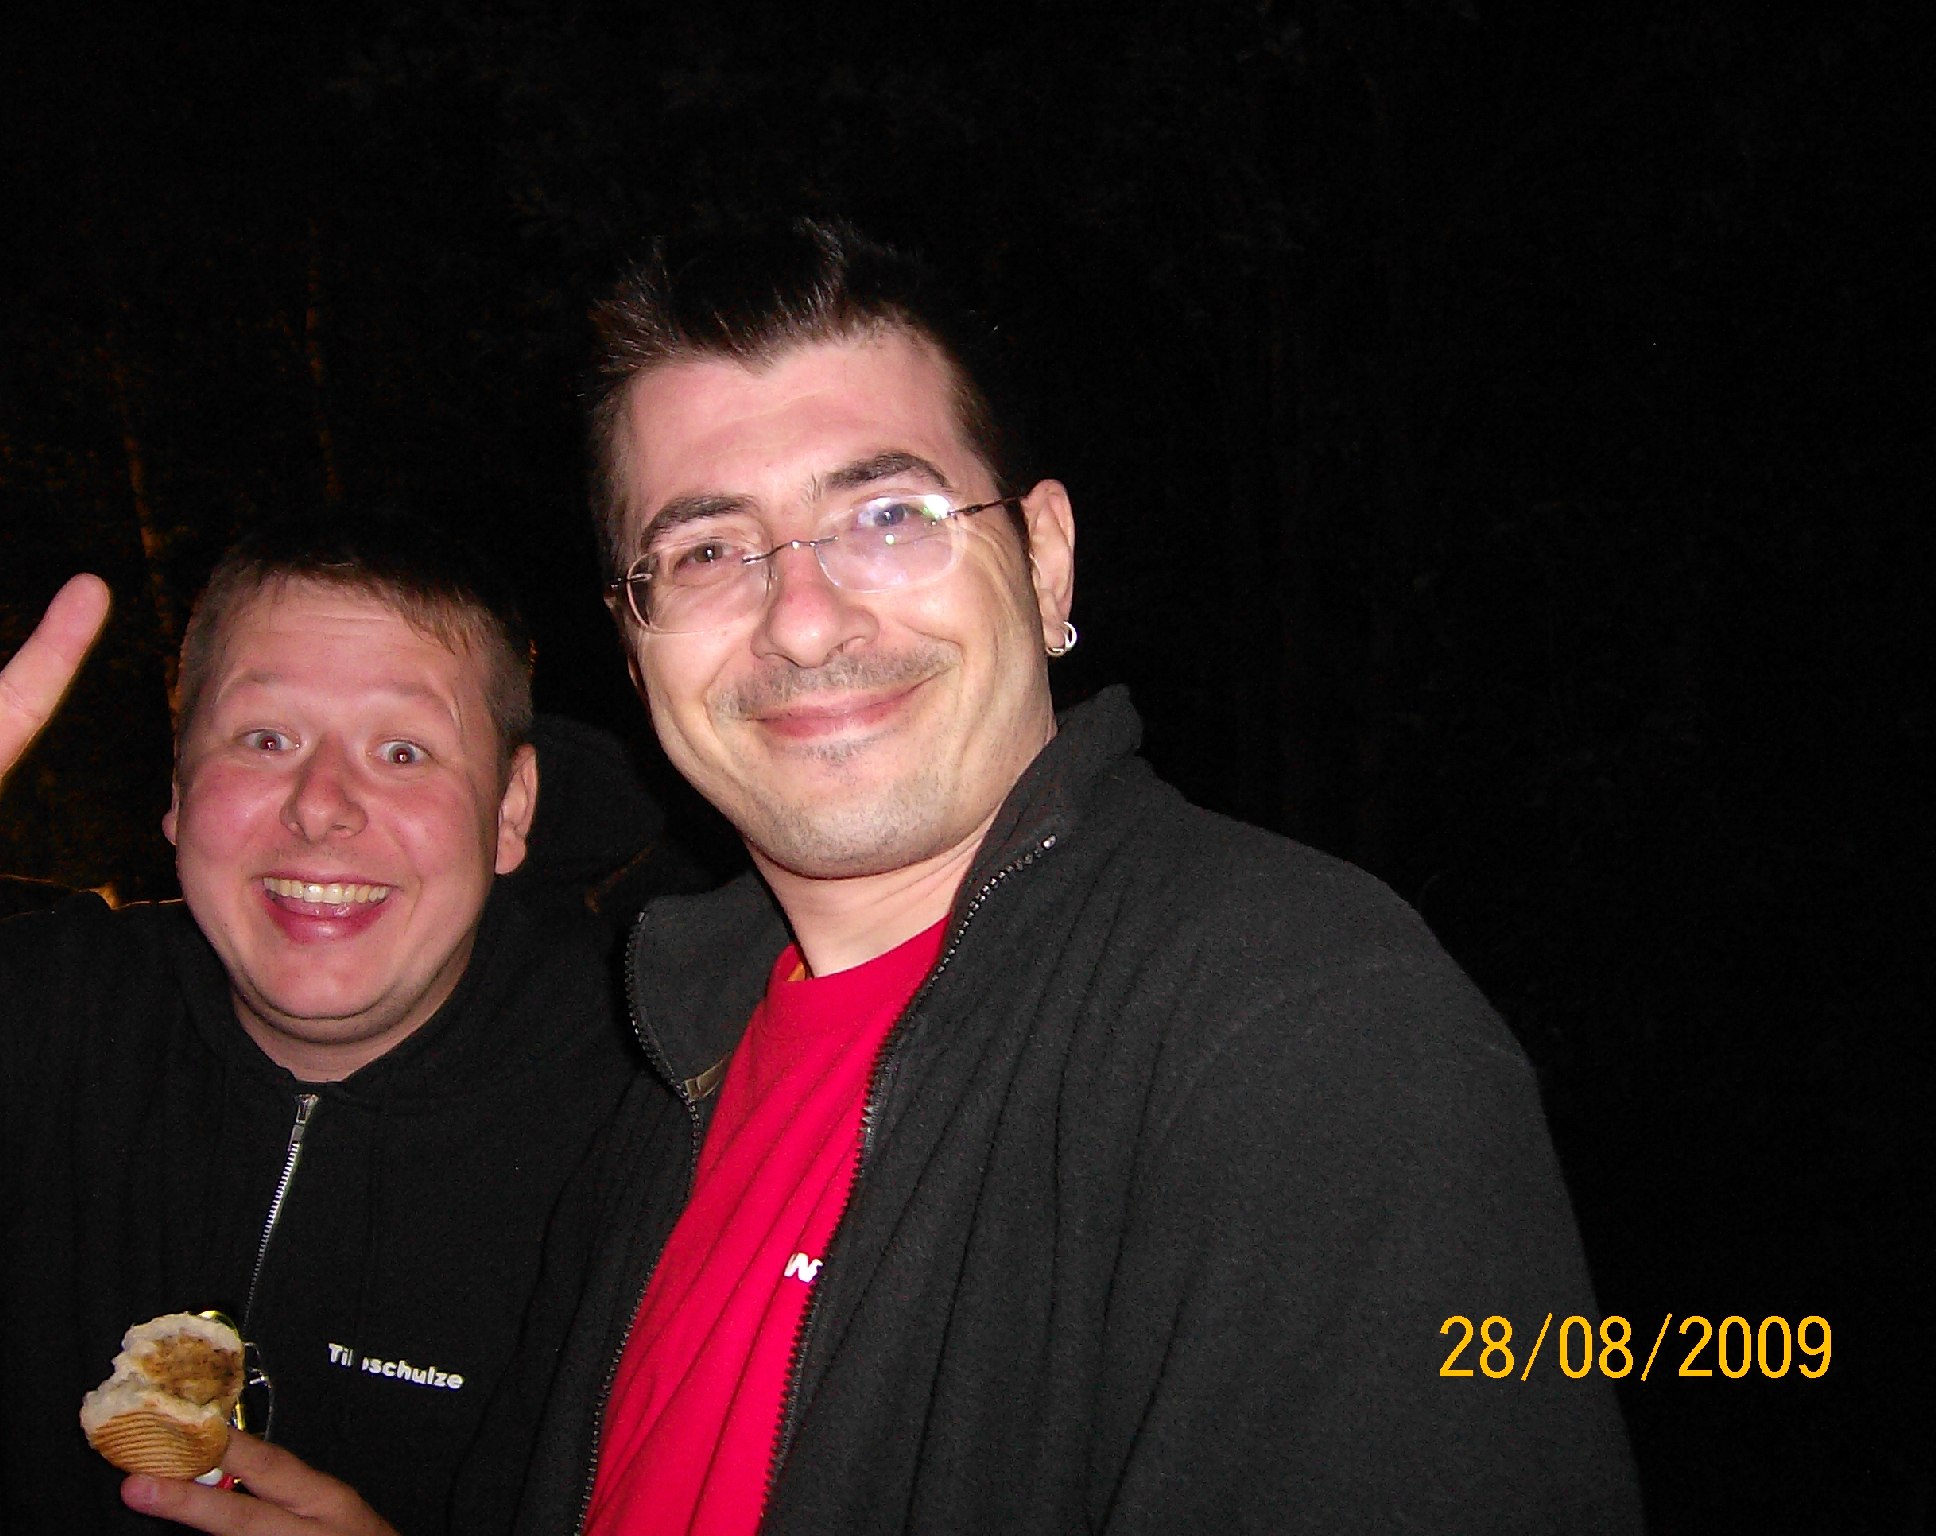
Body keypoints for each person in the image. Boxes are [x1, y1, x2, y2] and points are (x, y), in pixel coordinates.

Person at [127, 220, 1646, 1536]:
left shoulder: (1297, 1027)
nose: (801, 617)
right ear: (634, 645)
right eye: (707, 551)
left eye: (888, 516)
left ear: (1043, 561)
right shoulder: (667, 1071)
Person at [0, 511, 673, 1534]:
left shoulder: (654, 1105)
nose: (319, 805)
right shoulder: (38, 1010)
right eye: (265, 740)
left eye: (402, 751)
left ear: (511, 809)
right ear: (177, 787)